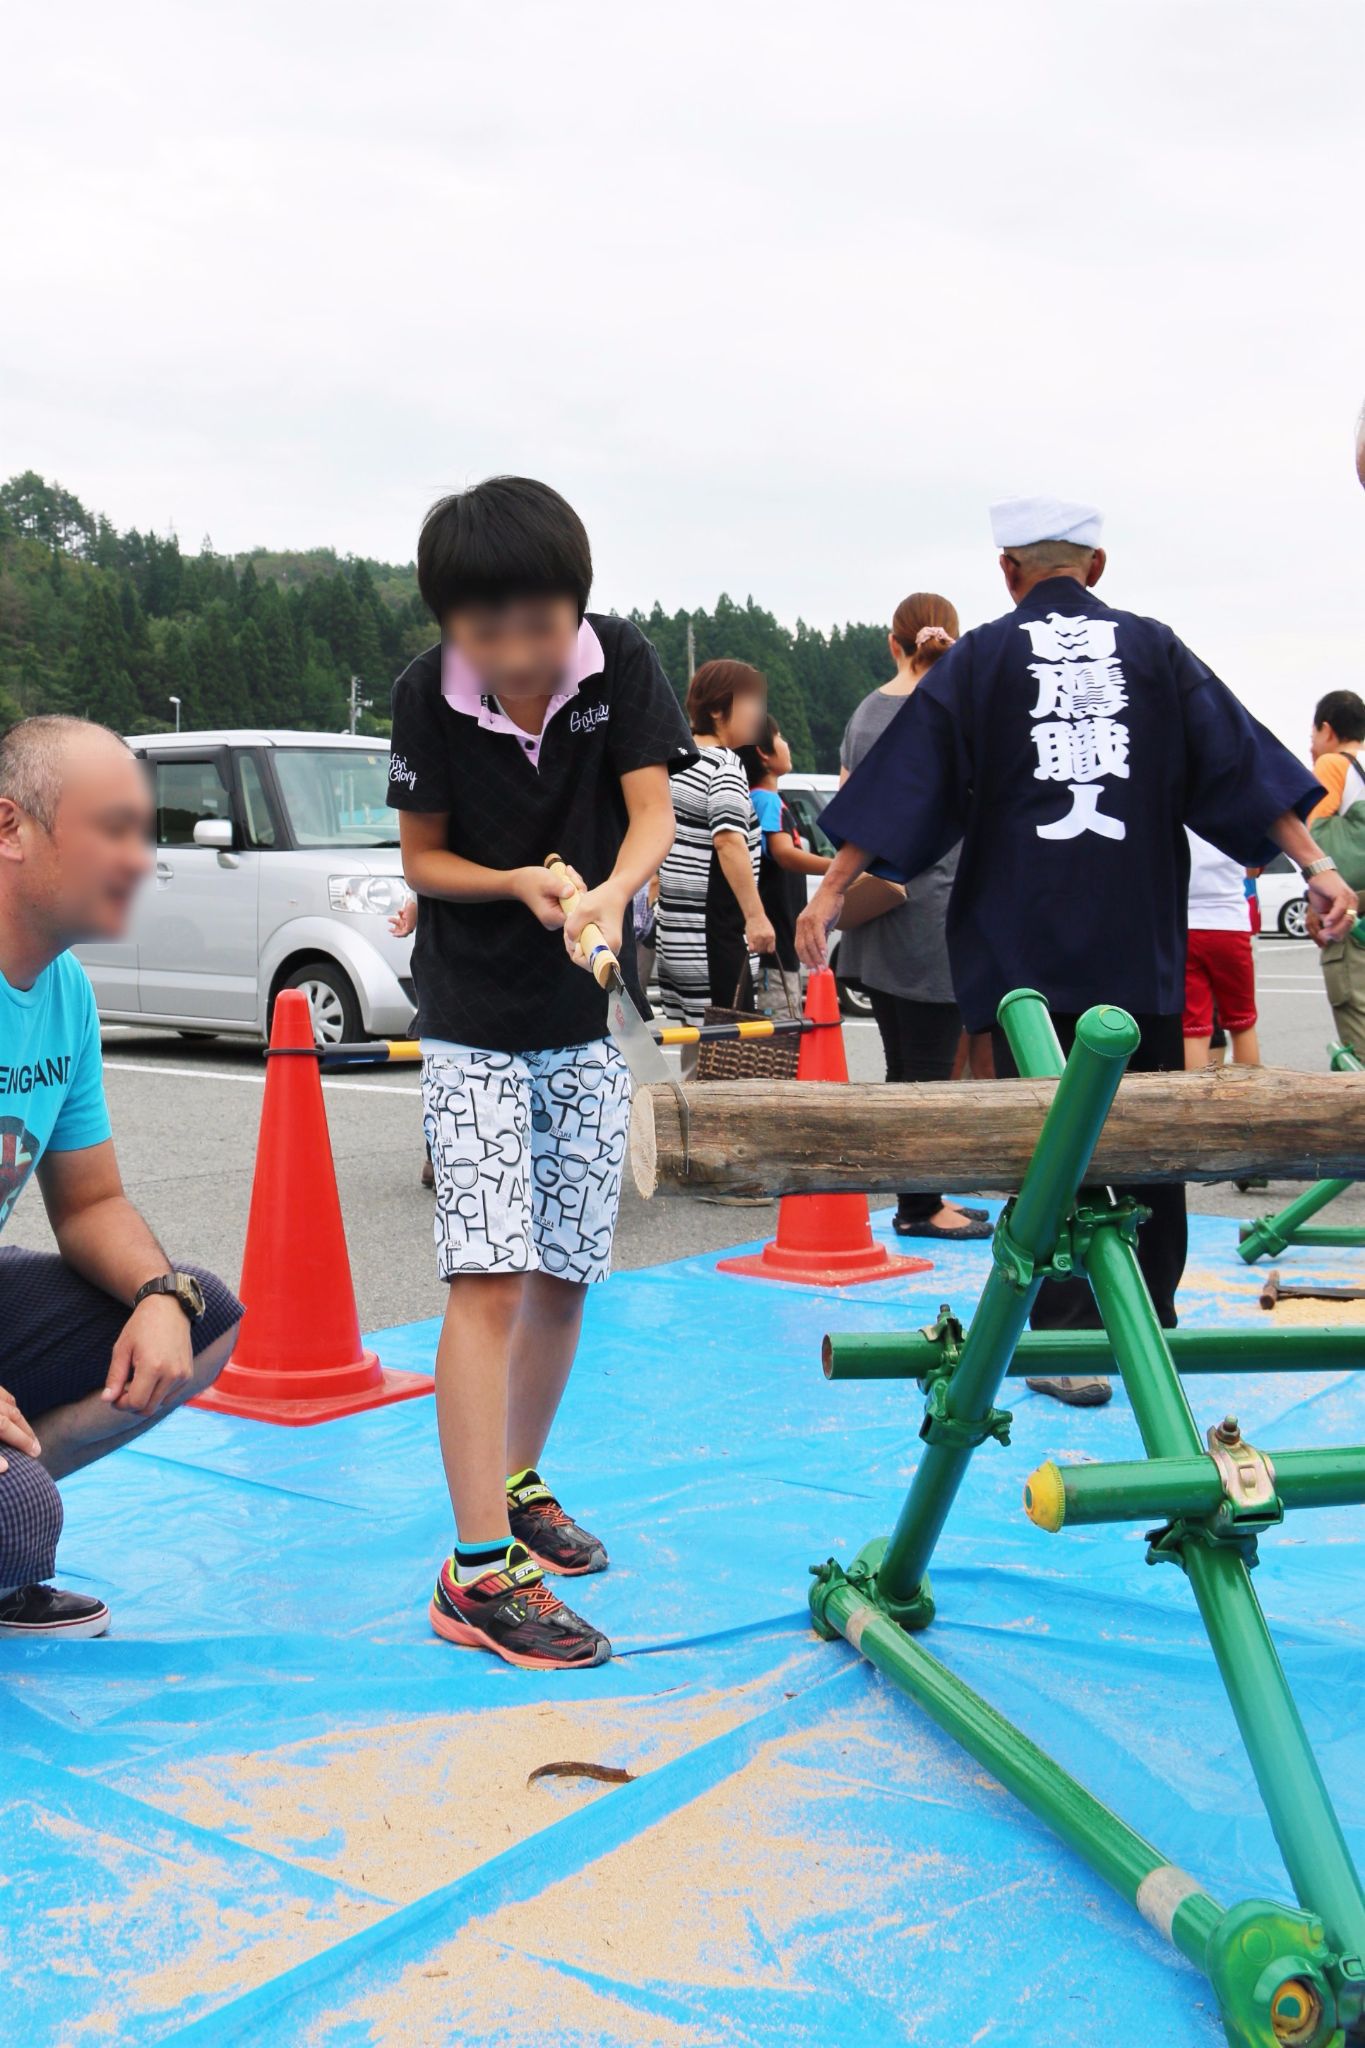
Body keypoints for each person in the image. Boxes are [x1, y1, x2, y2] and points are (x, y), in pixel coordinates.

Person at [798, 495, 1355, 1407]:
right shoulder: (1151, 648)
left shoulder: (978, 657)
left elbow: (907, 780)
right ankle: (1149, 1316)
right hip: (1131, 938)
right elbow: (1235, 762)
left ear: (1008, 573)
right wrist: (1316, 865)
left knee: (1047, 1132)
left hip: (1018, 949)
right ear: (1095, 567)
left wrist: (827, 892)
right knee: (1147, 1125)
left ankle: (1062, 1334)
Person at [387, 475, 695, 1671]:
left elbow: (651, 817)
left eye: (539, 622)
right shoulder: (425, 694)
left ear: (579, 603)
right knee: (491, 1276)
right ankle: (472, 1574)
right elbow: (424, 857)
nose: (516, 652)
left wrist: (609, 892)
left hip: (581, 1016)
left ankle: (515, 1486)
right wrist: (516, 882)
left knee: (565, 1271)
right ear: (449, 623)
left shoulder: (620, 665)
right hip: (470, 1020)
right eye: (485, 628)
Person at [0, 717, 242, 1637]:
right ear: (11, 827)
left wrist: (158, 1292)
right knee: (23, 1522)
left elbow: (92, 1200)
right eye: (114, 828)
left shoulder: (65, 992)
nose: (142, 858)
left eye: (147, 831)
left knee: (202, 1318)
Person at [835, 596, 990, 1243]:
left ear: (891, 644)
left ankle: (915, 1197)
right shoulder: (956, 713)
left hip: (875, 915)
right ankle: (919, 1203)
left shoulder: (866, 713)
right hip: (934, 916)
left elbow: (848, 809)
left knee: (902, 1065)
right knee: (927, 1074)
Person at [655, 660, 775, 1031]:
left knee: (696, 1050)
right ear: (717, 709)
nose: (759, 714)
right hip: (712, 941)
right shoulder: (725, 765)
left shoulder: (676, 759)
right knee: (723, 1056)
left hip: (676, 936)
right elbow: (728, 842)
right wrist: (756, 917)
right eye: (750, 702)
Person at [737, 714, 829, 977]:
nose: (786, 744)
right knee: (777, 1013)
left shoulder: (757, 798)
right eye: (779, 738)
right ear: (763, 753)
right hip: (775, 942)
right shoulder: (767, 801)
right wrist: (839, 869)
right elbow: (784, 854)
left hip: (773, 939)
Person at [1307, 689, 1365, 1054]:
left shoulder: (1333, 764)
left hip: (1351, 918)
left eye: (1312, 735)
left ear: (1327, 730)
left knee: (1357, 1027)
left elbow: (1312, 841)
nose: (1312, 746)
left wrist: (1315, 903)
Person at [1183, 829, 1259, 1070]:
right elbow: (1253, 869)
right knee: (1242, 1021)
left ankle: (1194, 1101)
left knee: (1193, 1027)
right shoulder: (1235, 808)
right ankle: (1251, 1098)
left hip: (1184, 924)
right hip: (1230, 923)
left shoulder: (1173, 805)